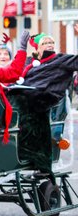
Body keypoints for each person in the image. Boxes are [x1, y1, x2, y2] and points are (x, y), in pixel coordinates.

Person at [9, 33, 78, 174]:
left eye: (51, 42)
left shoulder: (61, 59)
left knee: (23, 106)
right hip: (21, 95)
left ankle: (34, 155)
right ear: (37, 49)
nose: (50, 45)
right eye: (45, 43)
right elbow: (13, 71)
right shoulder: (29, 62)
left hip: (41, 101)